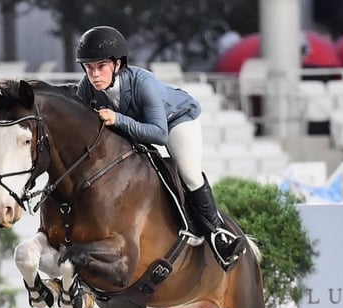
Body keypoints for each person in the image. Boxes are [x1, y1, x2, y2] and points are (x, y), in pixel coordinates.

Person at [75, 26, 246, 272]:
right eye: (88, 68)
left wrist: (118, 119)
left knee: (188, 173)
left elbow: (158, 133)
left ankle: (218, 236)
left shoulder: (143, 83)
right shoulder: (87, 87)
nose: (93, 75)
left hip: (175, 120)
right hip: (137, 125)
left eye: (100, 66)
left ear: (118, 65)